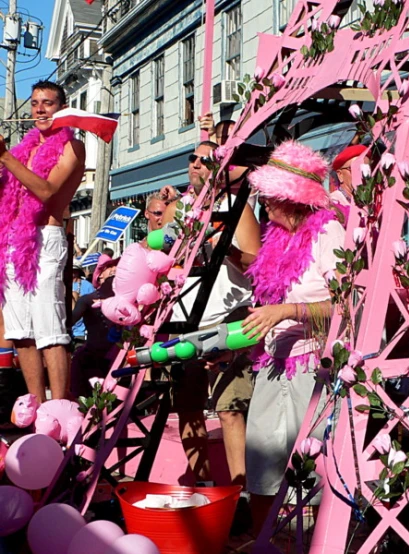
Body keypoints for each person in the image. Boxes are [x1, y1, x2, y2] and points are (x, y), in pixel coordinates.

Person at [242, 140, 345, 531]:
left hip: (313, 368)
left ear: (294, 198)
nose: (265, 205)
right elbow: (269, 305)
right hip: (274, 365)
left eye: (271, 198)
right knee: (262, 473)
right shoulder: (276, 239)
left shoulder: (329, 234)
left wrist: (288, 311)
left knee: (313, 477)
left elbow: (350, 306)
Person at [162, 141, 261, 503]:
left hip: (227, 312)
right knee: (187, 405)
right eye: (192, 158)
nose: (197, 165)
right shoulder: (180, 210)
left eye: (206, 160)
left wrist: (226, 247)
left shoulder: (236, 207)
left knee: (229, 407)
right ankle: (202, 489)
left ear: (220, 168)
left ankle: (241, 494)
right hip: (185, 316)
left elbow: (256, 262)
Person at [0, 80, 85, 401]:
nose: (39, 109)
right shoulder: (25, 149)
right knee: (21, 332)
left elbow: (48, 191)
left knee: (50, 330)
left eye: (47, 103)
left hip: (46, 238)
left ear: (62, 108)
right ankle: (35, 405)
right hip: (13, 240)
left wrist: (6, 158)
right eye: (35, 103)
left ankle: (59, 406)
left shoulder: (72, 146)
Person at [70, 264, 119, 398]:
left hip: (119, 357)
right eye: (110, 267)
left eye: (117, 266)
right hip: (95, 356)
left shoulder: (127, 299)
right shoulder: (86, 300)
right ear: (100, 276)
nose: (114, 268)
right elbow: (70, 322)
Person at [71, 262, 95, 347]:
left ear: (78, 272)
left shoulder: (87, 286)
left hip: (82, 329)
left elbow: (94, 303)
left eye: (74, 270)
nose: (72, 272)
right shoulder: (63, 284)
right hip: (67, 329)